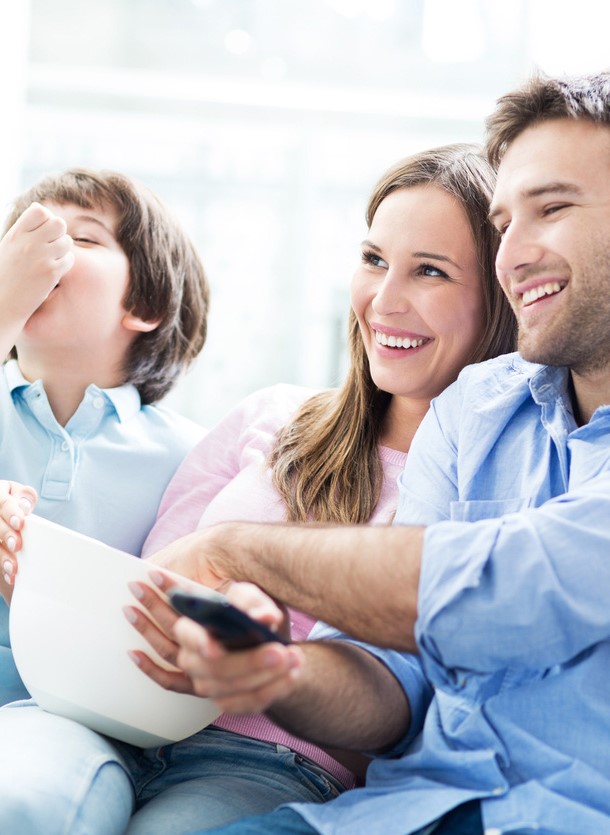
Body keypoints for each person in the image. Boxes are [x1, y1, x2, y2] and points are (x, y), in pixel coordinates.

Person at [141, 70, 610, 835]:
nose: (513, 253)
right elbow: (393, 674)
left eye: (552, 208)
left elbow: (509, 586)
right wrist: (282, 672)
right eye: (503, 222)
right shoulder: (474, 411)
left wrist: (236, 550)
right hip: (395, 814)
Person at [0, 144, 516, 835]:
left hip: (265, 758)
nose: (385, 300)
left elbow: (402, 698)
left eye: (430, 271)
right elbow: (147, 583)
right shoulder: (273, 417)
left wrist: (272, 663)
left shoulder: (490, 486)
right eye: (373, 260)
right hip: (104, 714)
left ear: (501, 290)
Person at [0, 167, 210, 705]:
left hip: (74, 719)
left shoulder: (191, 459)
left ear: (144, 306)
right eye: (23, 236)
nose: (39, 250)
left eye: (82, 237)